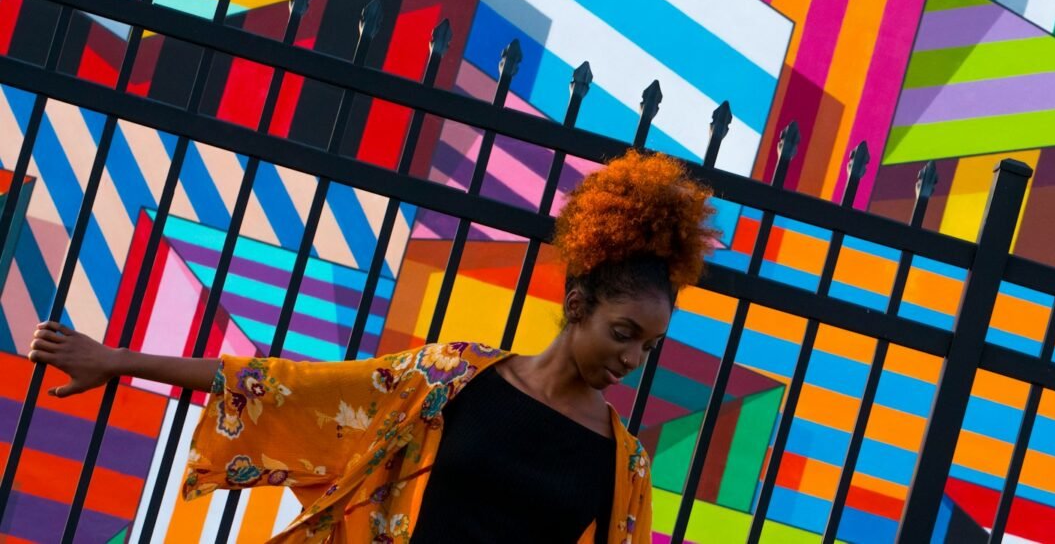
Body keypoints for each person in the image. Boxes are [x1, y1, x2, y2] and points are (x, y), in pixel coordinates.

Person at [28, 149, 718, 543]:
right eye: (623, 333)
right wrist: (114, 360)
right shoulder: (452, 379)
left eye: (648, 347)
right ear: (577, 308)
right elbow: (289, 385)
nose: (631, 359)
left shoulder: (624, 466)